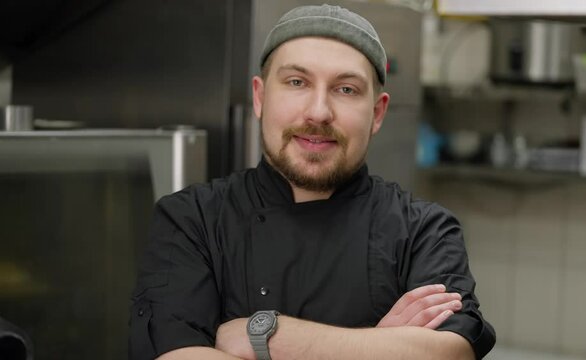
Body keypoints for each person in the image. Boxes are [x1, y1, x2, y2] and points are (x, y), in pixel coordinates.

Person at [129, 4, 495, 360]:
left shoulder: (424, 231)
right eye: (296, 82)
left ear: (378, 112)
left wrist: (267, 337)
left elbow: (451, 353)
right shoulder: (192, 221)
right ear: (260, 97)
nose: (319, 112)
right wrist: (377, 348)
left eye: (346, 89)